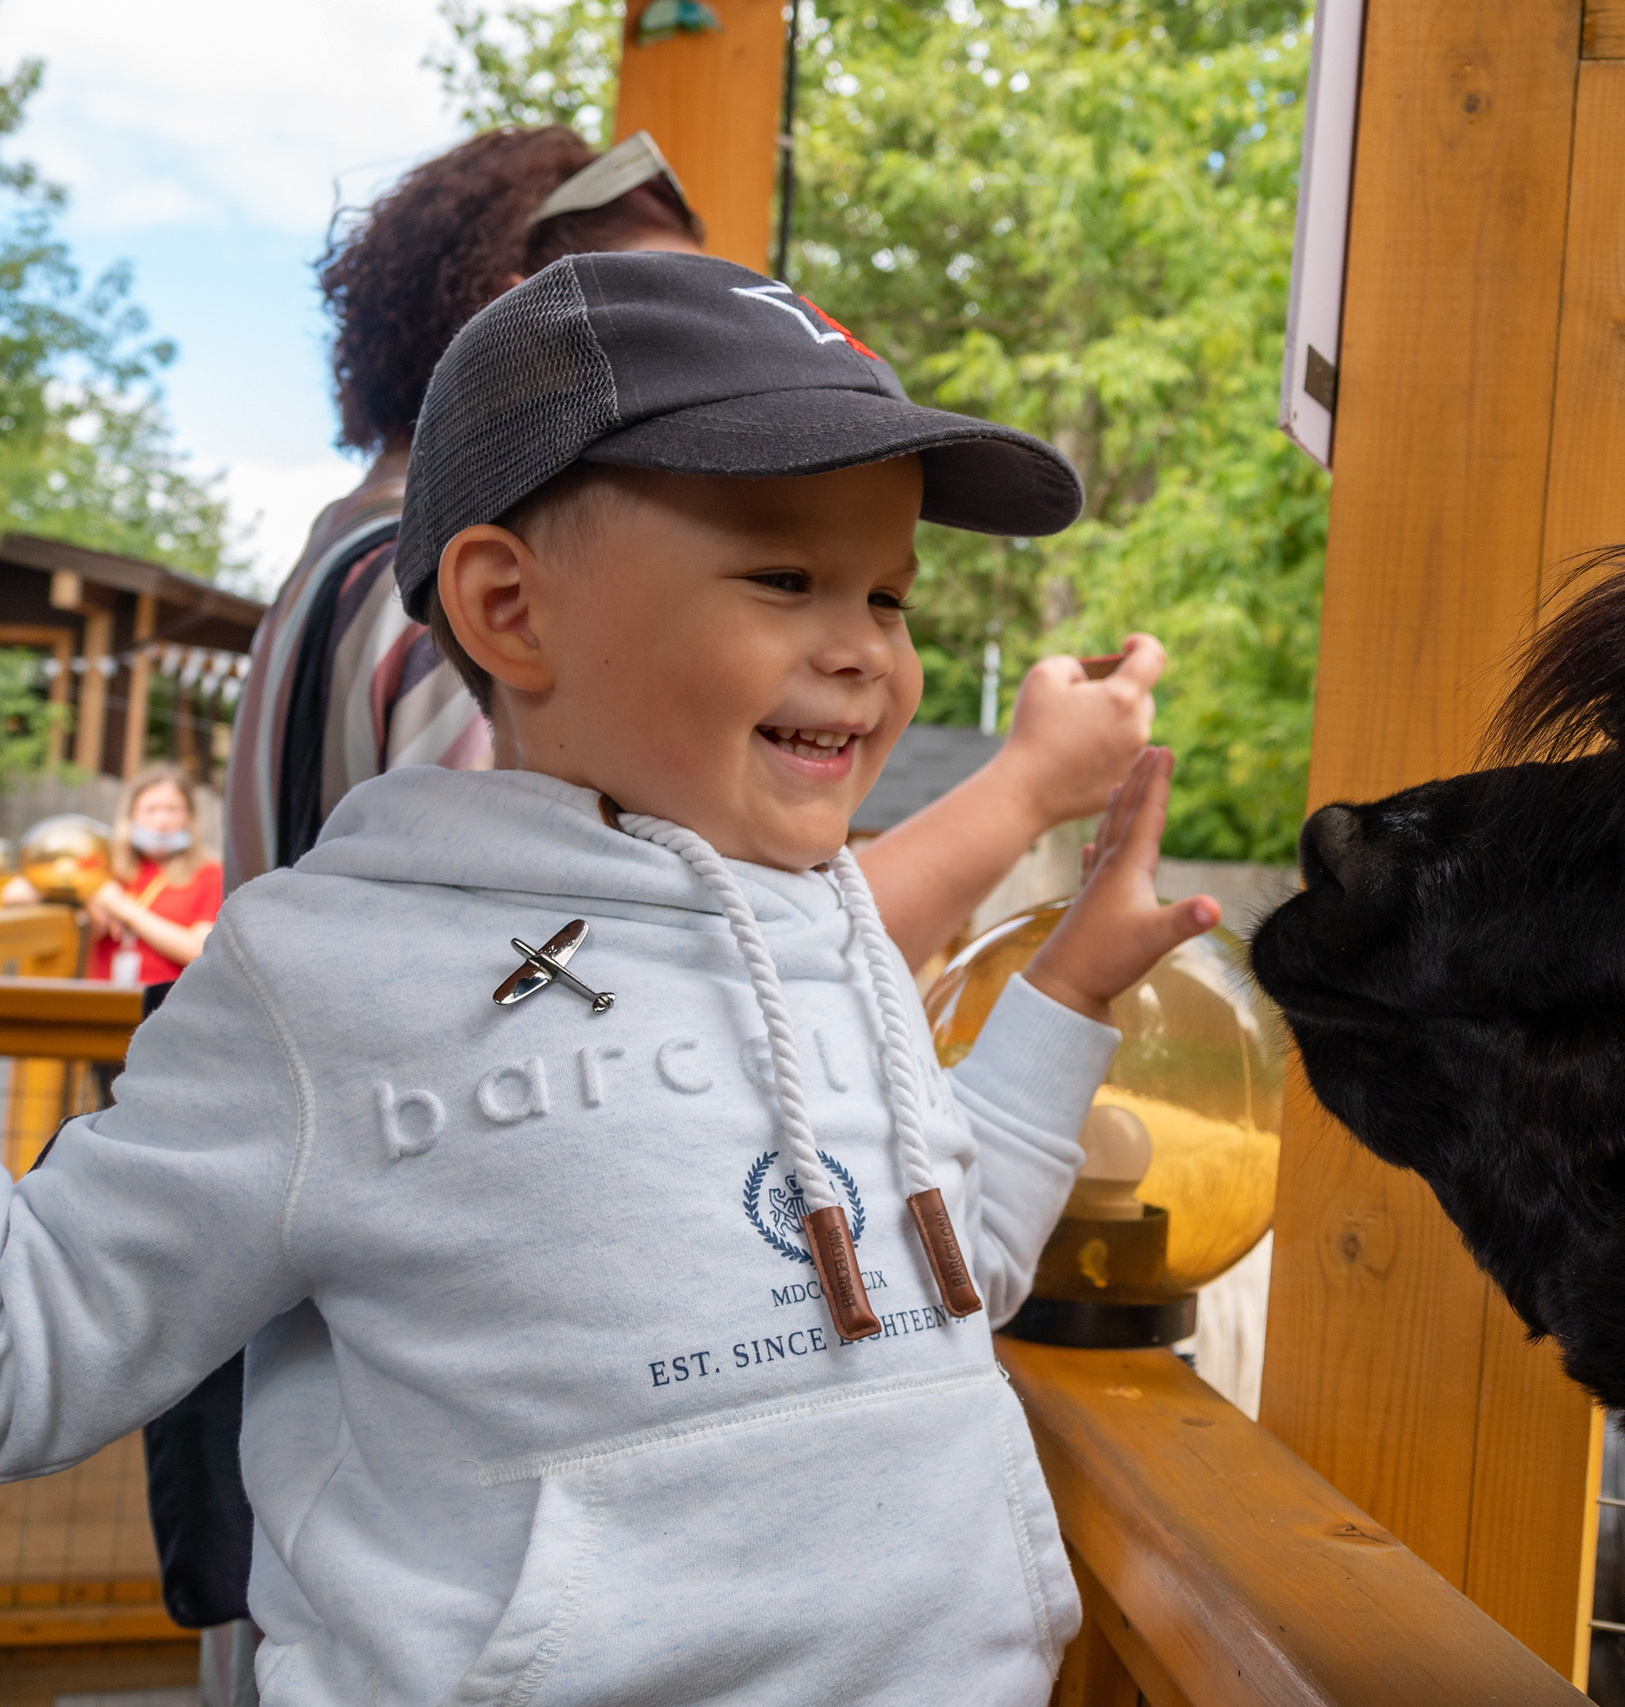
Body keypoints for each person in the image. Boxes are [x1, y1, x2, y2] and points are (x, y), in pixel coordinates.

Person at [9, 251, 1219, 1703]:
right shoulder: (325, 978)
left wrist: (1072, 986)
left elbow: (957, 1273)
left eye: (891, 596)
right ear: (511, 609)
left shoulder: (831, 937)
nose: (864, 651)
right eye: (787, 578)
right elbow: (43, 1332)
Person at [231, 124, 1159, 958]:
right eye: (668, 315)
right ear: (512, 326)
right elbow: (616, 976)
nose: (732, 339)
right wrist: (1026, 788)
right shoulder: (465, 609)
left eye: (888, 597)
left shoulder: (333, 565)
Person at [87, 766, 221, 985]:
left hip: (168, 1001)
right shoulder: (103, 865)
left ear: (189, 816)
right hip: (103, 996)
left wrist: (123, 909)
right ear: (131, 815)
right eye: (150, 810)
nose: (161, 821)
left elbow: (198, 950)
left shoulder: (210, 873)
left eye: (172, 810)